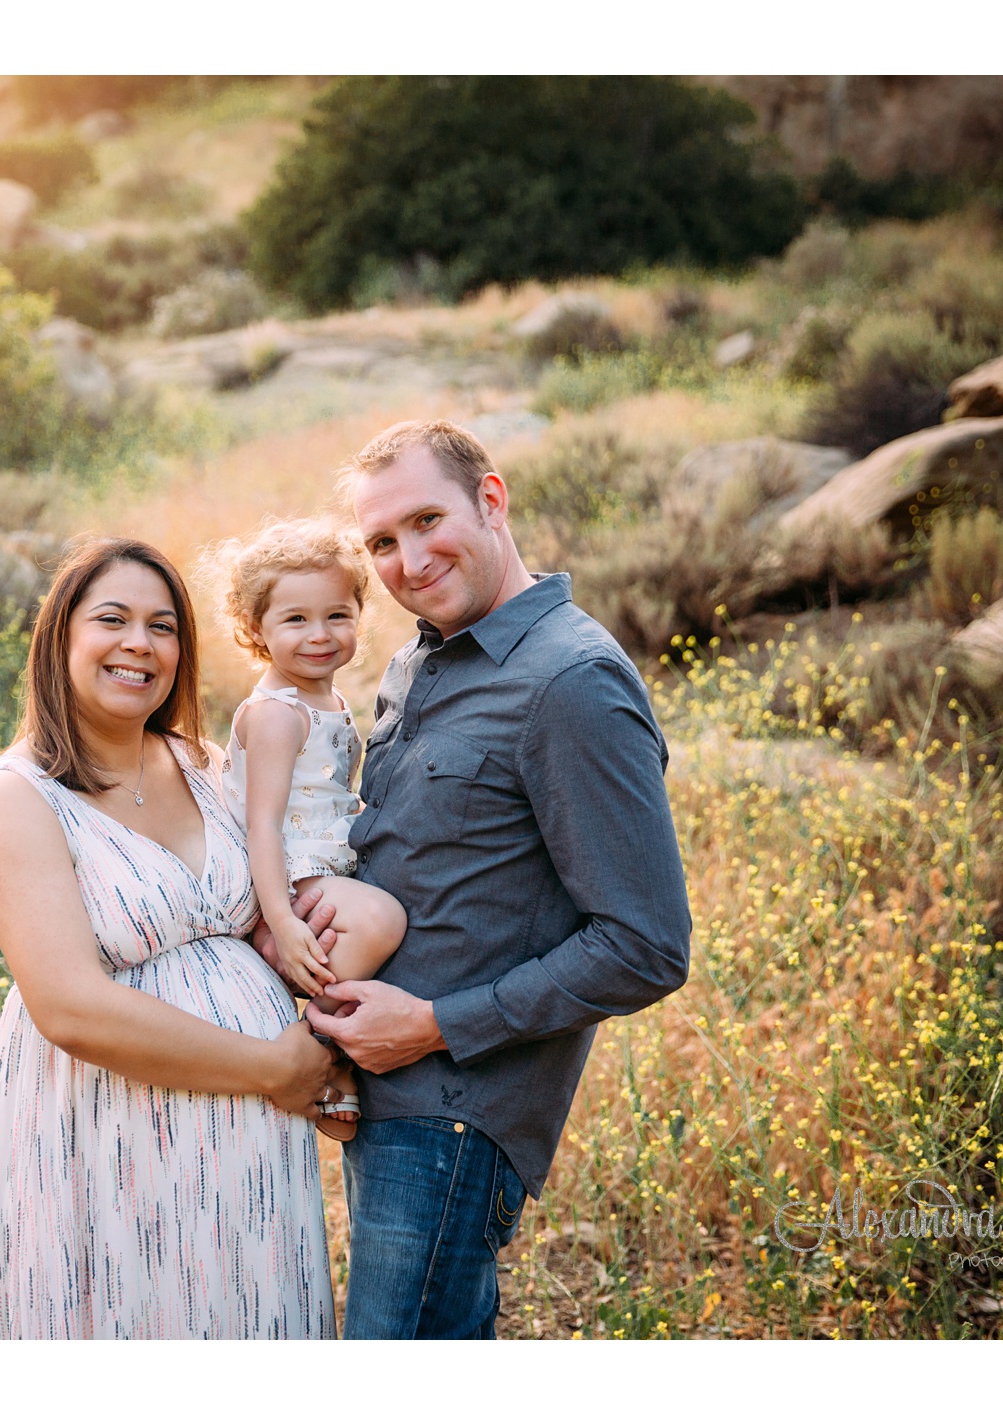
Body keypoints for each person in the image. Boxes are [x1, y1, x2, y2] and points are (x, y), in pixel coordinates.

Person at [257, 419, 692, 1340]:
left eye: (426, 520)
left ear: (491, 501)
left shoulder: (572, 683)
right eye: (381, 541)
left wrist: (429, 1025)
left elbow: (646, 946)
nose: (408, 561)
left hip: (456, 1117)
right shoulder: (422, 656)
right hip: (385, 1095)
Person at [0, 537, 338, 1339]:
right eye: (113, 619)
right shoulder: (12, 797)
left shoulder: (204, 761)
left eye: (163, 626)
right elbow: (69, 1007)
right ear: (60, 637)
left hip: (251, 1149)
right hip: (107, 1139)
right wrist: (275, 1065)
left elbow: (287, 897)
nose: (141, 642)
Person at [201, 518, 409, 1141]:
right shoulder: (276, 715)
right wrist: (285, 925)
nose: (319, 635)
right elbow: (261, 825)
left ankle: (333, 1044)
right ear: (255, 629)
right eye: (295, 620)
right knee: (382, 921)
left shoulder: (328, 699)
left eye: (337, 616)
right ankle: (323, 1048)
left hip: (319, 869)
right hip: (285, 881)